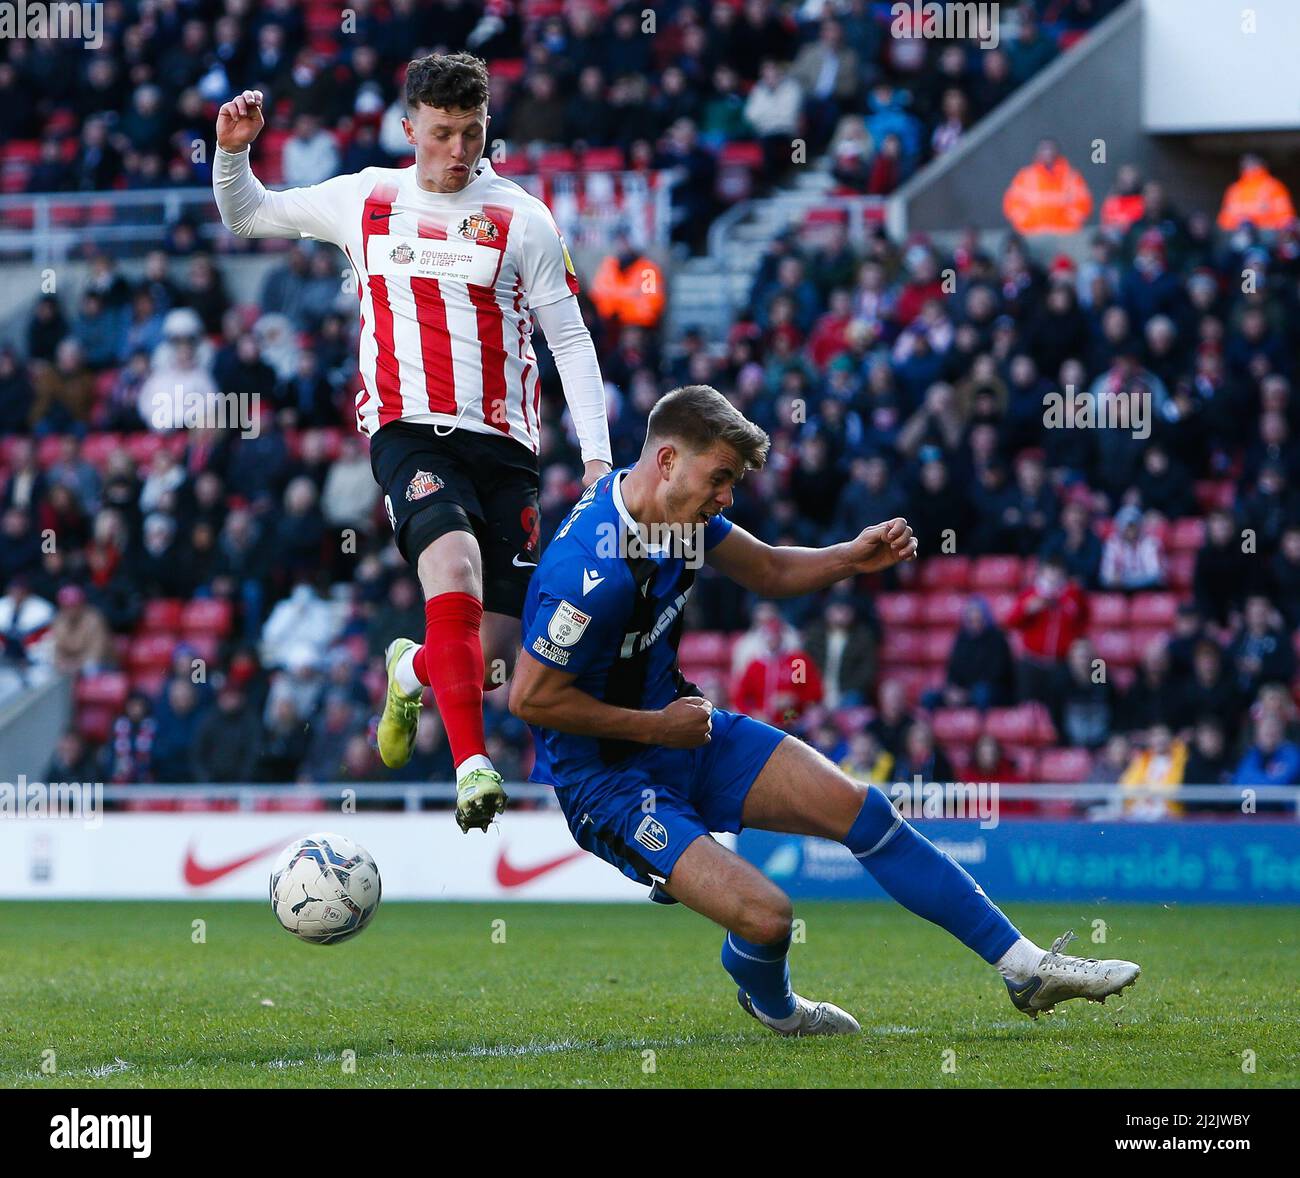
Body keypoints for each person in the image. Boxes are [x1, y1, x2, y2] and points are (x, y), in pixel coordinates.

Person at [509, 385, 1139, 1035]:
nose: (727, 497)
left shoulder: (679, 516)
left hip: (682, 731)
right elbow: (530, 698)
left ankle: (1026, 968)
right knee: (768, 918)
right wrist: (654, 726)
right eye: (720, 479)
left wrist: (852, 557)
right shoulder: (591, 569)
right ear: (667, 461)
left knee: (864, 810)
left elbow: (772, 572)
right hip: (607, 779)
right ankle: (777, 1008)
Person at [213, 53, 613, 833]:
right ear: (409, 129)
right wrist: (233, 151)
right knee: (452, 567)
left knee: (491, 661)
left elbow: (571, 342)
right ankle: (471, 767)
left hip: (504, 447)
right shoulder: (365, 198)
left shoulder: (522, 218)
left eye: (471, 132)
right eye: (440, 134)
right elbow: (246, 213)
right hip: (408, 435)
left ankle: (410, 667)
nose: (457, 150)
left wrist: (596, 458)